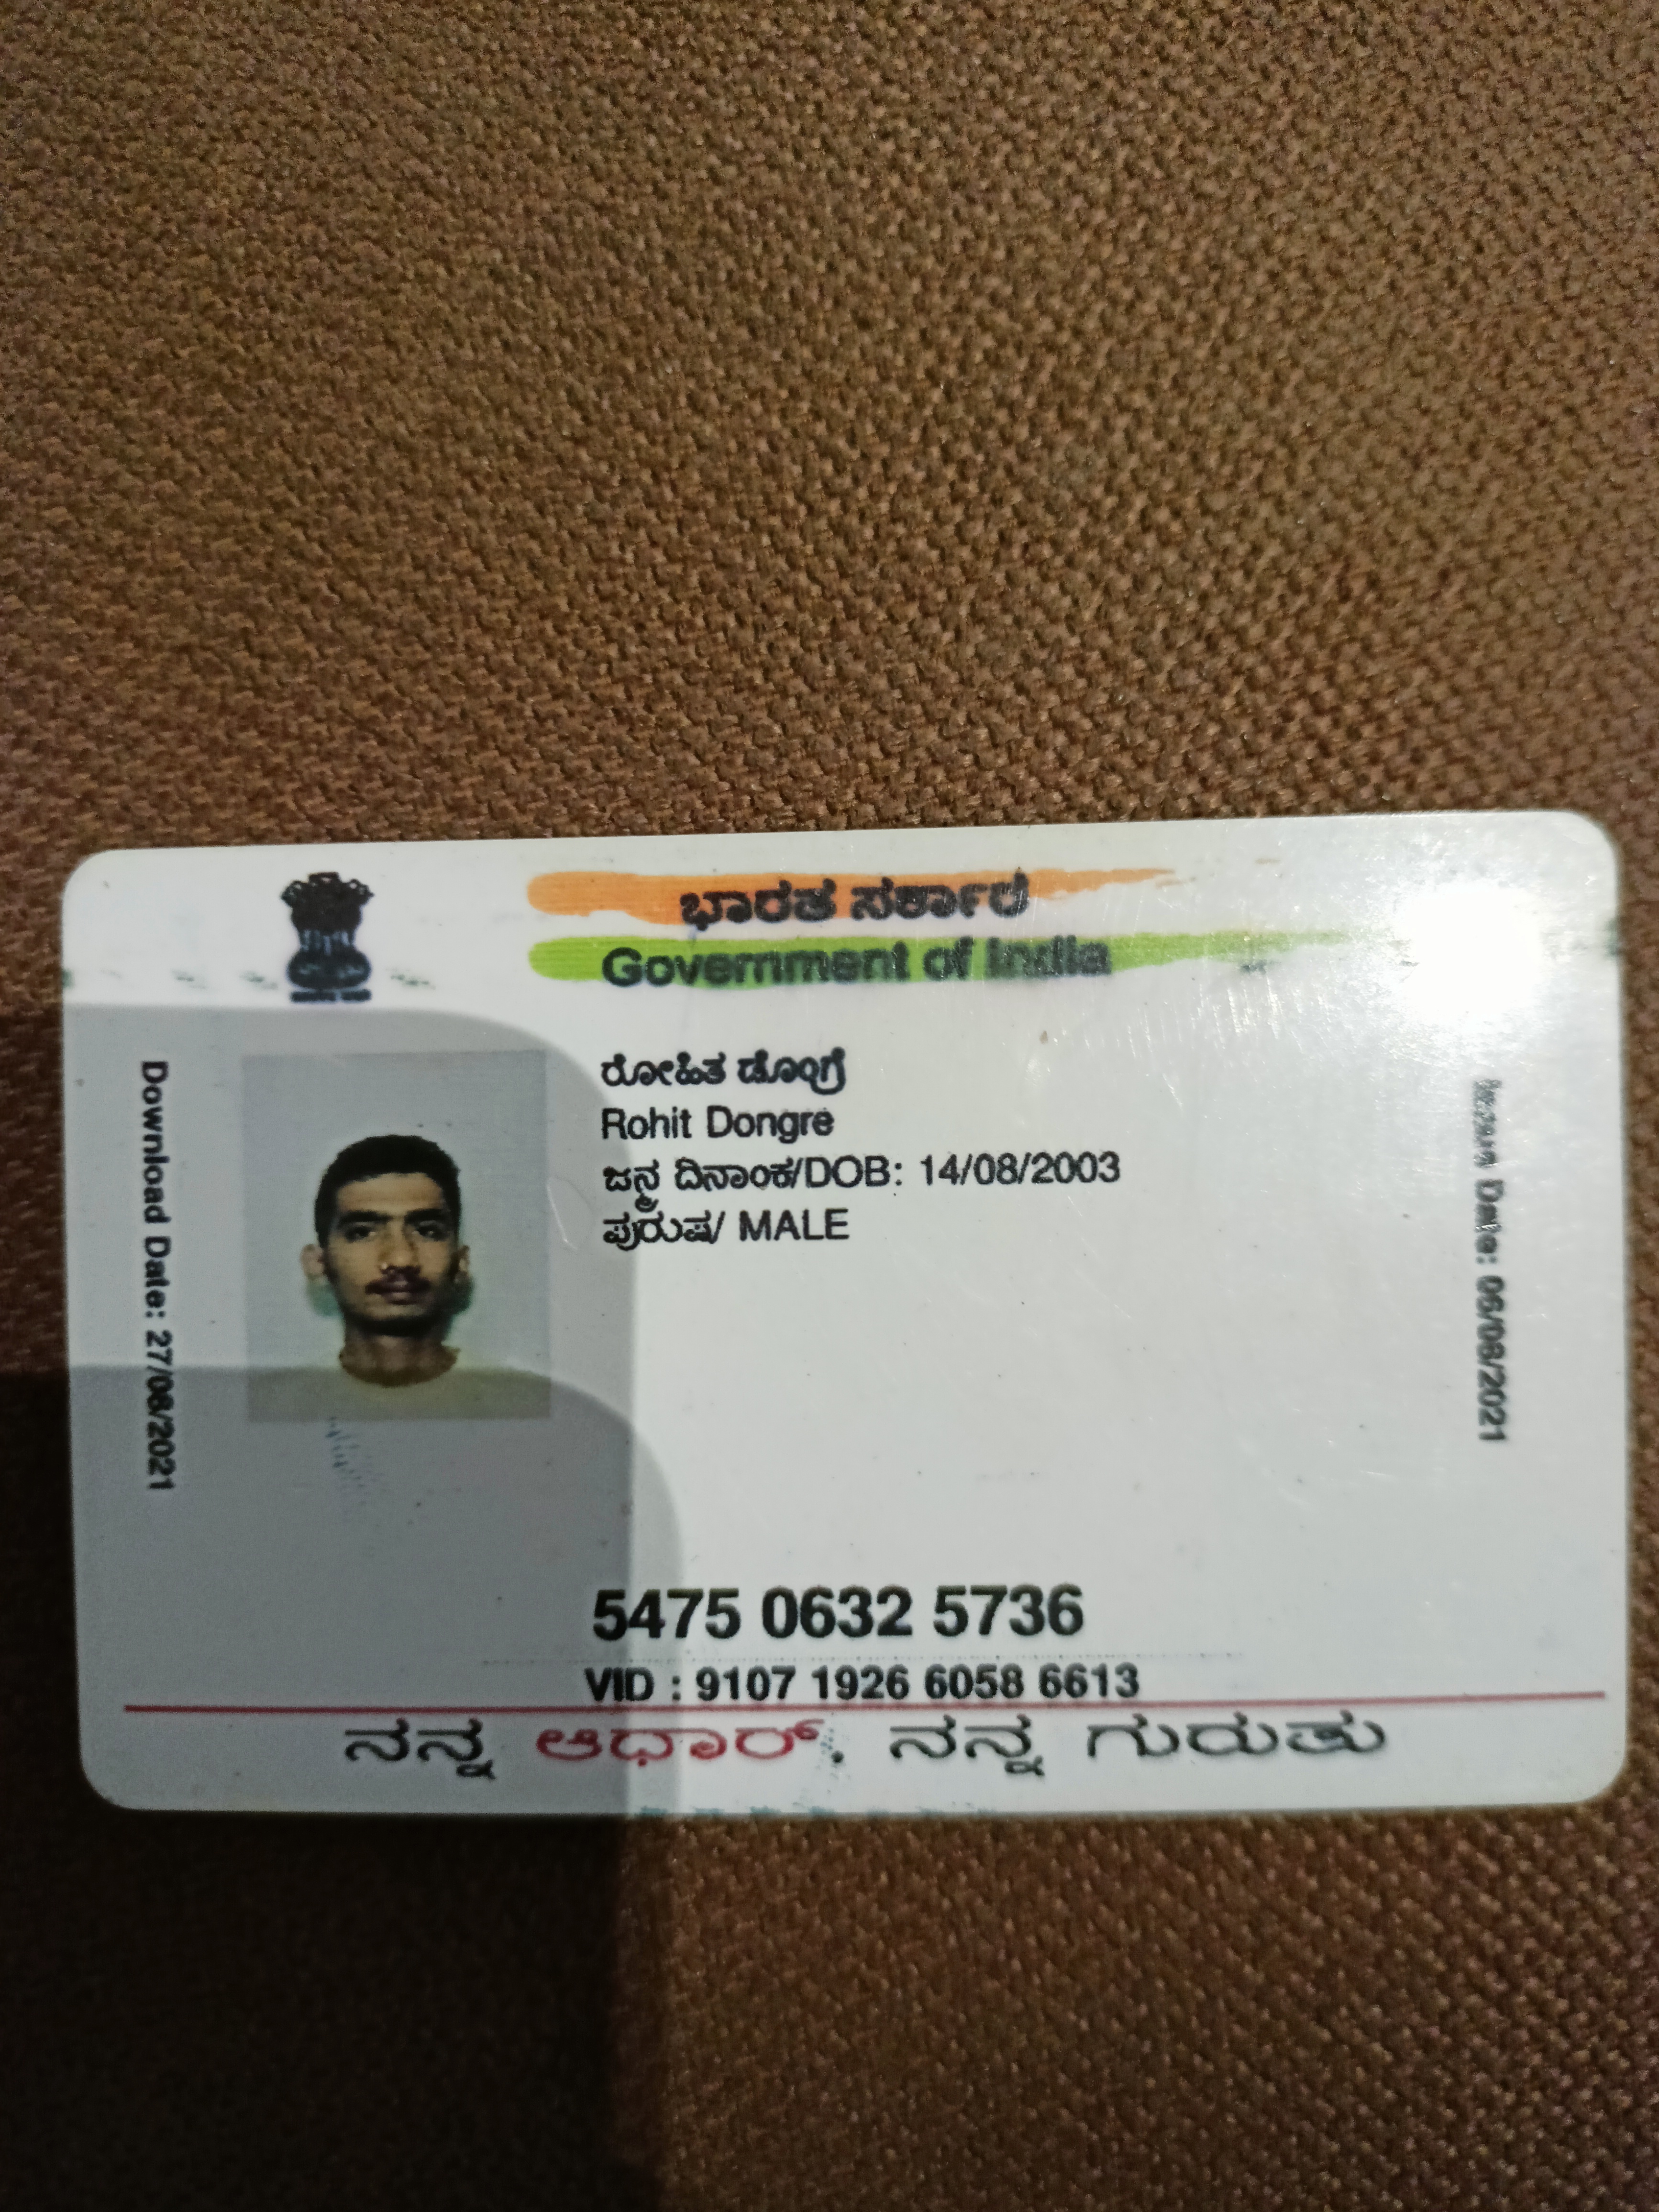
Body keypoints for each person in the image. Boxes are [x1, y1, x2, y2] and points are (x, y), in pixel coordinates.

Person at [302, 1135, 470, 1388]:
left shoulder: (516, 1401)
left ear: (461, 1263)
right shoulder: (281, 1404)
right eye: (362, 1233)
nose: (401, 1259)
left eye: (428, 1231)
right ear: (318, 1263)